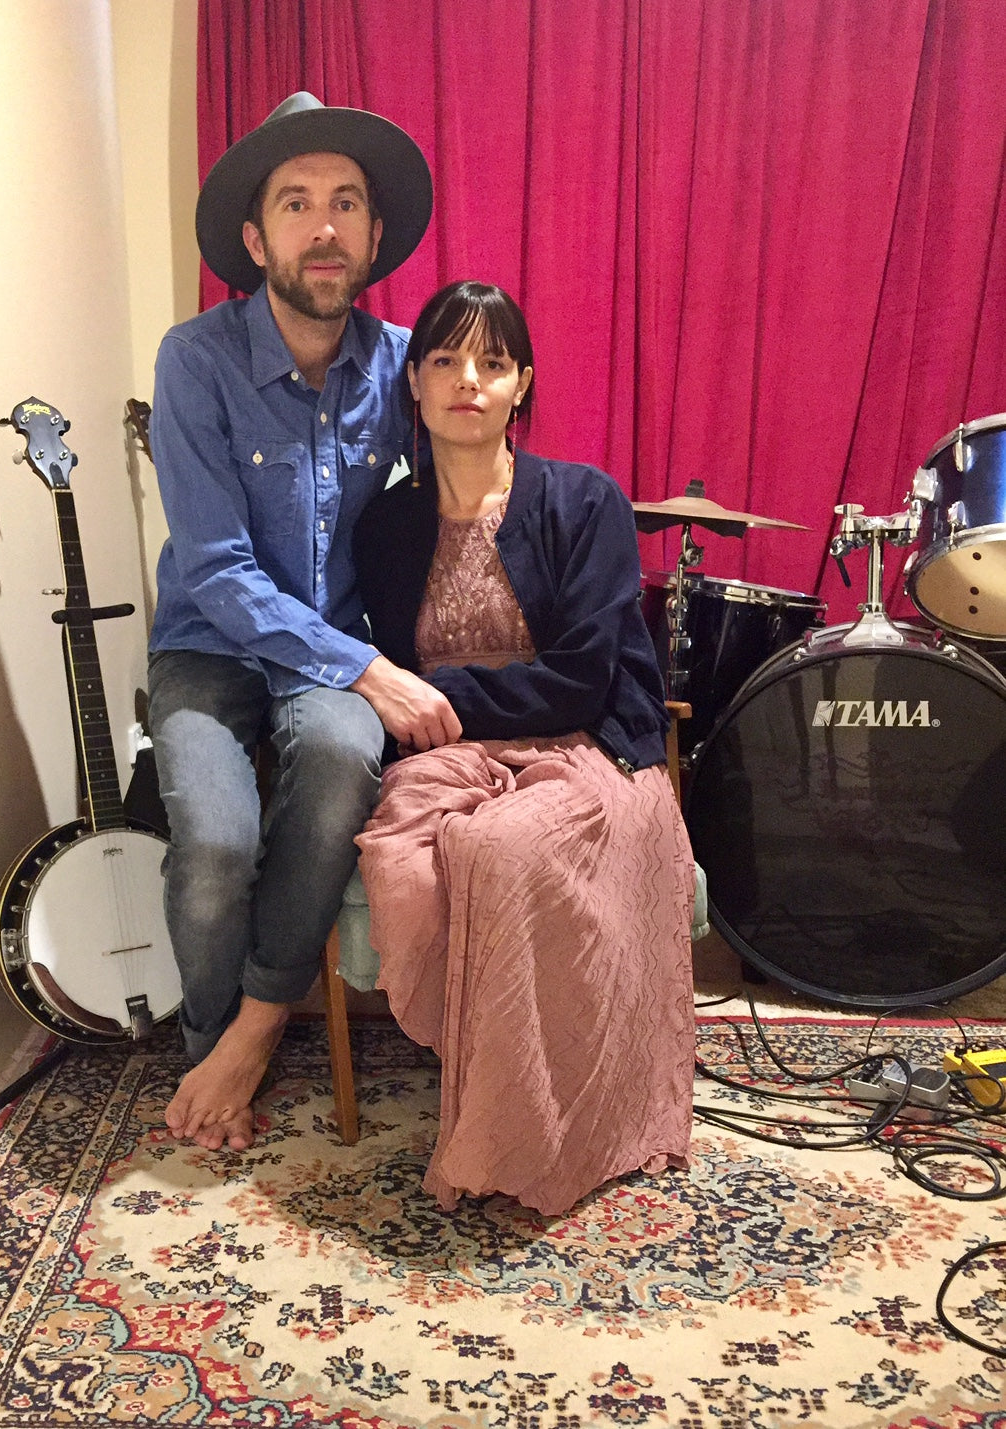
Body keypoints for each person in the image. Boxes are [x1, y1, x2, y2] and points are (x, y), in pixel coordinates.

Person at [148, 93, 461, 1152]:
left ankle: (254, 1029)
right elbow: (217, 570)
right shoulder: (194, 359)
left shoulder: (407, 363)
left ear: (374, 235)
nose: (323, 227)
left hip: (330, 653)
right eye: (296, 204)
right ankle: (212, 1051)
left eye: (346, 203)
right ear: (256, 239)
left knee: (337, 758)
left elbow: (470, 486)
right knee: (214, 844)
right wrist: (369, 668)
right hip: (208, 640)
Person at [352, 281, 696, 1215]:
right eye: (445, 360)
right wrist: (402, 702)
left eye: (493, 362)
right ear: (413, 383)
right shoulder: (384, 524)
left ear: (521, 385)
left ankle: (523, 1135)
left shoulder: (585, 501)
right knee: (406, 864)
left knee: (499, 848)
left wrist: (435, 697)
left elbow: (581, 679)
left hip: (587, 747)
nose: (468, 379)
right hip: (449, 759)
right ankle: (504, 1091)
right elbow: (373, 665)